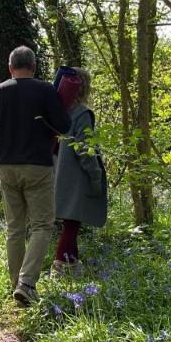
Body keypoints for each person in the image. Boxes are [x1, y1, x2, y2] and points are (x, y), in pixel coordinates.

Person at [0, 46, 70, 304]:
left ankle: (17, 285)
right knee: (42, 225)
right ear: (34, 67)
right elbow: (64, 126)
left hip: (7, 167)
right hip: (38, 166)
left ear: (10, 68)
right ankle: (27, 283)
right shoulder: (46, 90)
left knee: (14, 228)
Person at [52, 68, 107, 274]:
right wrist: (95, 175)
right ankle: (62, 267)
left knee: (70, 223)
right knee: (72, 224)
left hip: (59, 172)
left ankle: (70, 266)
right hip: (75, 175)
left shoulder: (60, 110)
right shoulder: (82, 113)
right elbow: (86, 149)